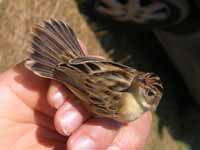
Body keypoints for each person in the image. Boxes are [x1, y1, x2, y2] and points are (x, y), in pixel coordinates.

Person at [0, 40, 152, 149]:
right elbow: (87, 87)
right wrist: (65, 70)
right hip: (73, 77)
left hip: (74, 71)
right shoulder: (121, 102)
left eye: (149, 92)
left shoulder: (127, 99)